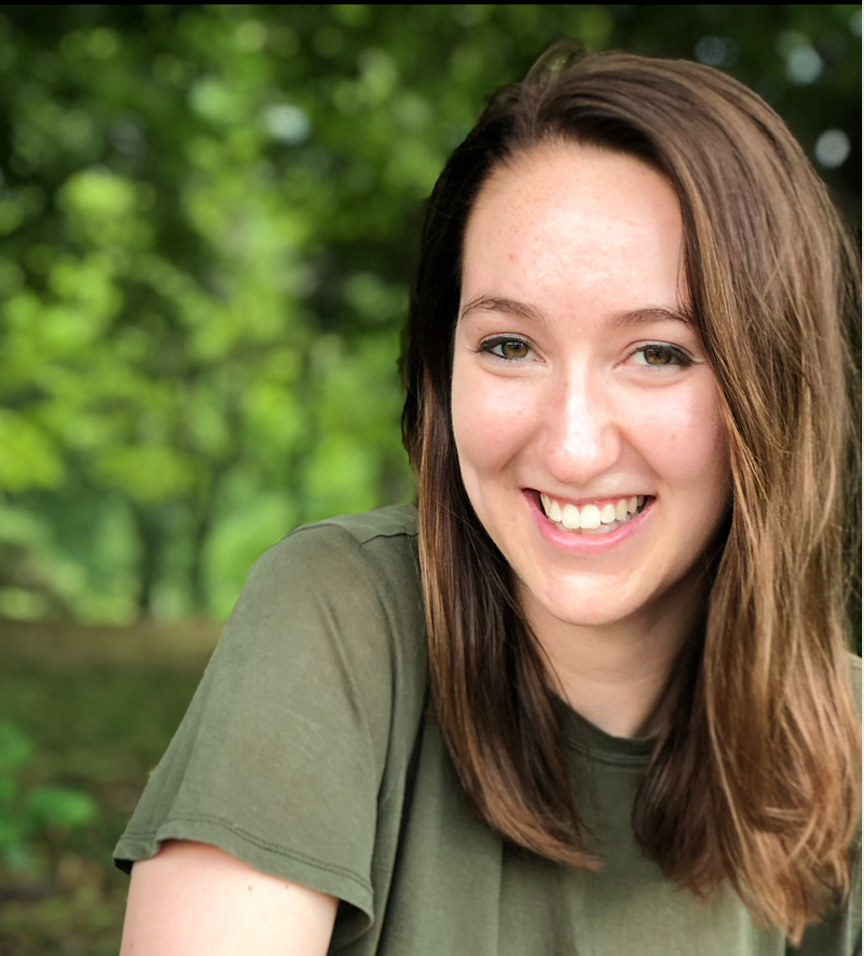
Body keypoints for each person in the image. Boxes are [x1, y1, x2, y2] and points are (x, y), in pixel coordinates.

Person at [115, 46, 861, 955]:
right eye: (510, 346)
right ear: (442, 371)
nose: (574, 446)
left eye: (658, 353)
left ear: (775, 385)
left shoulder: (846, 747)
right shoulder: (343, 616)